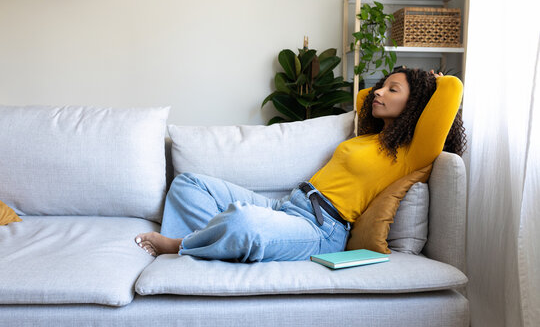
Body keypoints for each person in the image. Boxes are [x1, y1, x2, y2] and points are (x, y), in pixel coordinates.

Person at [135, 68, 465, 262]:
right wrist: (397, 86)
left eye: (392, 89)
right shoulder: (370, 137)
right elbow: (364, 97)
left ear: (416, 104)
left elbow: (453, 90)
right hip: (288, 204)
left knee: (245, 221)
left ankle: (183, 246)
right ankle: (218, 242)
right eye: (384, 85)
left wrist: (434, 83)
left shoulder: (409, 155)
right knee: (188, 182)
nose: (378, 92)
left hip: (321, 230)